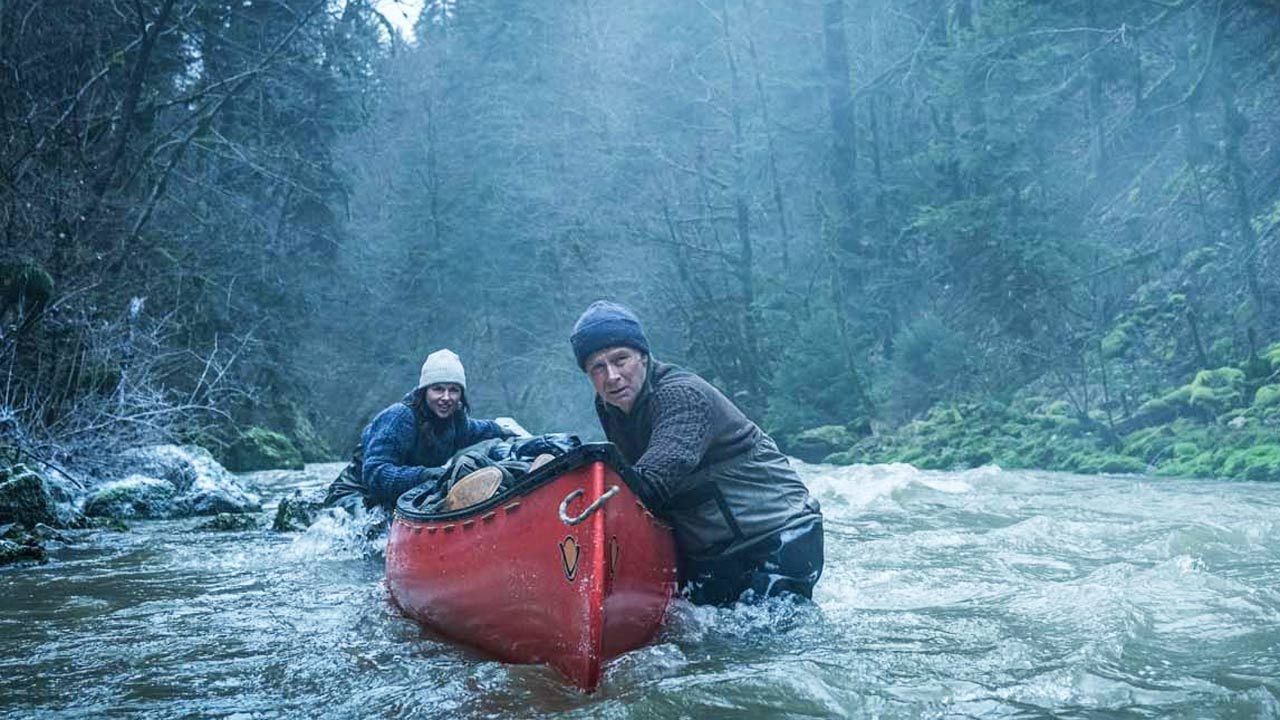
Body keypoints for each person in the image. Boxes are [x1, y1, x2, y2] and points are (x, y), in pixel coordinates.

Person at [570, 301, 824, 605]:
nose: (611, 376)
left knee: (761, 641)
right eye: (598, 367)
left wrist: (579, 484)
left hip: (777, 536)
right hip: (714, 549)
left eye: (620, 359)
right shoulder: (609, 406)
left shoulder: (682, 396)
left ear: (643, 356)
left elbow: (651, 484)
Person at [327, 348, 515, 511]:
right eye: (438, 389)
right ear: (425, 391)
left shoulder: (457, 421)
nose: (446, 397)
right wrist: (427, 474)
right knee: (373, 532)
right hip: (355, 494)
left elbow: (479, 428)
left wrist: (504, 429)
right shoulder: (399, 418)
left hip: (402, 497)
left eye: (454, 390)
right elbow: (376, 475)